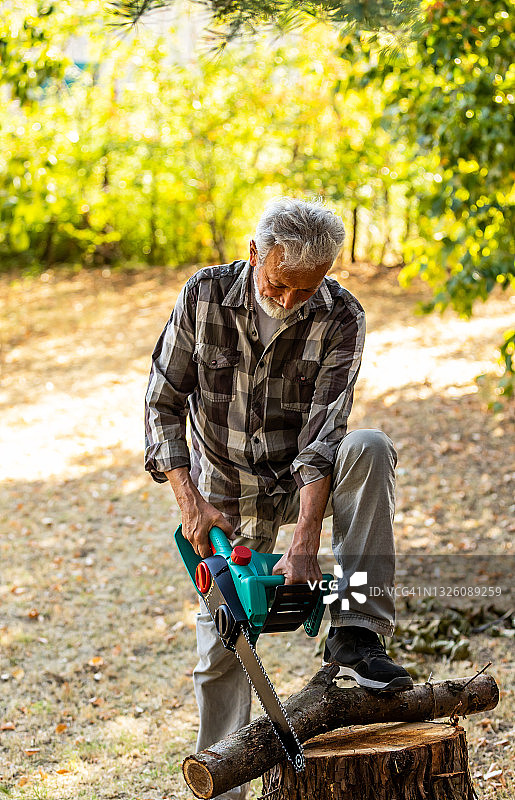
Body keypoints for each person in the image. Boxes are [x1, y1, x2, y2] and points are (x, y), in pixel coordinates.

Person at [144, 197, 413, 800]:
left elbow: (325, 438)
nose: (290, 300)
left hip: (301, 483)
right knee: (221, 651)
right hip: (223, 494)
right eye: (279, 282)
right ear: (254, 253)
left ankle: (356, 628)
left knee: (368, 446)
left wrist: (305, 543)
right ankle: (224, 782)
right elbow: (161, 403)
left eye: (307, 289)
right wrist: (189, 502)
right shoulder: (204, 297)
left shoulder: (342, 316)